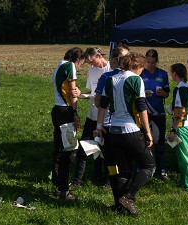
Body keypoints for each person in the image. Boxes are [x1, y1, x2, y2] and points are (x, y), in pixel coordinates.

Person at [97, 52, 155, 215]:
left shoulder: (110, 79)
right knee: (149, 166)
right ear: (137, 65)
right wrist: (148, 132)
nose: (142, 72)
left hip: (113, 130)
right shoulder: (136, 79)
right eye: (142, 68)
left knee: (123, 170)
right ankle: (129, 198)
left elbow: (102, 105)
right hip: (131, 129)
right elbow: (142, 107)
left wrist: (99, 126)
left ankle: (120, 206)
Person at [94, 44, 130, 207]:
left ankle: (115, 188)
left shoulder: (107, 77)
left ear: (113, 59)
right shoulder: (132, 76)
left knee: (110, 160)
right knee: (124, 161)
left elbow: (98, 102)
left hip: (108, 124)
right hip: (128, 126)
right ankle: (126, 193)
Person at [70, 46, 111, 187]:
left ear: (99, 56)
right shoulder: (92, 70)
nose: (91, 65)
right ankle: (77, 181)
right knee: (84, 147)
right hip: (92, 115)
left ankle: (107, 180)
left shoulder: (111, 69)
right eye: (89, 63)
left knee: (106, 150)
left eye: (93, 62)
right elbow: (92, 92)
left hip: (107, 117)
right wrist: (80, 94)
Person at [51, 47, 85, 199]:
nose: (79, 67)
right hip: (66, 111)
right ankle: (64, 190)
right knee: (69, 150)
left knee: (59, 149)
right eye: (81, 63)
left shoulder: (59, 65)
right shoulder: (70, 66)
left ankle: (58, 184)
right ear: (77, 60)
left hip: (57, 110)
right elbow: (72, 92)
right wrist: (76, 112)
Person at [141, 49, 170, 180]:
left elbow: (167, 91)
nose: (150, 65)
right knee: (144, 141)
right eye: (148, 62)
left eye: (153, 62)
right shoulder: (141, 73)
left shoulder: (163, 74)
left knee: (159, 143)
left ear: (157, 61)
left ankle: (162, 170)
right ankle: (144, 168)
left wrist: (164, 94)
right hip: (144, 113)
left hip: (159, 113)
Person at [168, 63, 188, 193]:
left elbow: (179, 112)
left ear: (175, 74)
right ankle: (186, 183)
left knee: (184, 158)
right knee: (186, 156)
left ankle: (187, 187)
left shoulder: (180, 89)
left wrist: (173, 129)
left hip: (182, 127)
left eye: (171, 73)